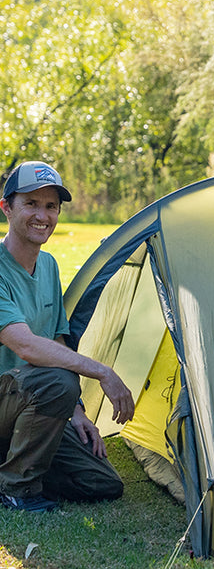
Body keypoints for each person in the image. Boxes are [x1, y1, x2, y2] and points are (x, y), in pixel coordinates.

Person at [0, 161, 135, 512]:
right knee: (58, 383)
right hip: (8, 400)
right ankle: (17, 488)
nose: (42, 216)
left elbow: (56, 342)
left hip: (29, 407)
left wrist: (75, 411)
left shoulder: (49, 266)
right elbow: (25, 344)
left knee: (102, 483)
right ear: (6, 208)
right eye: (31, 203)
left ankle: (15, 461)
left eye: (51, 206)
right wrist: (102, 371)